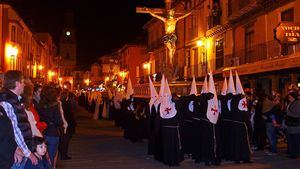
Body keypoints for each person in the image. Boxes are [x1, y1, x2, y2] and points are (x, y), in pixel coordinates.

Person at [0, 70, 38, 168]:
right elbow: (13, 129)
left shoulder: (15, 99)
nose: (24, 85)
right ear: (17, 84)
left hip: (19, 150)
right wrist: (27, 152)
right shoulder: (7, 101)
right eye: (22, 82)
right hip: (14, 153)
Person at [38, 85, 63, 165]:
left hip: (42, 132)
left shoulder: (39, 105)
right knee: (51, 157)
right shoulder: (54, 105)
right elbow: (59, 121)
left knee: (42, 157)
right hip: (53, 133)